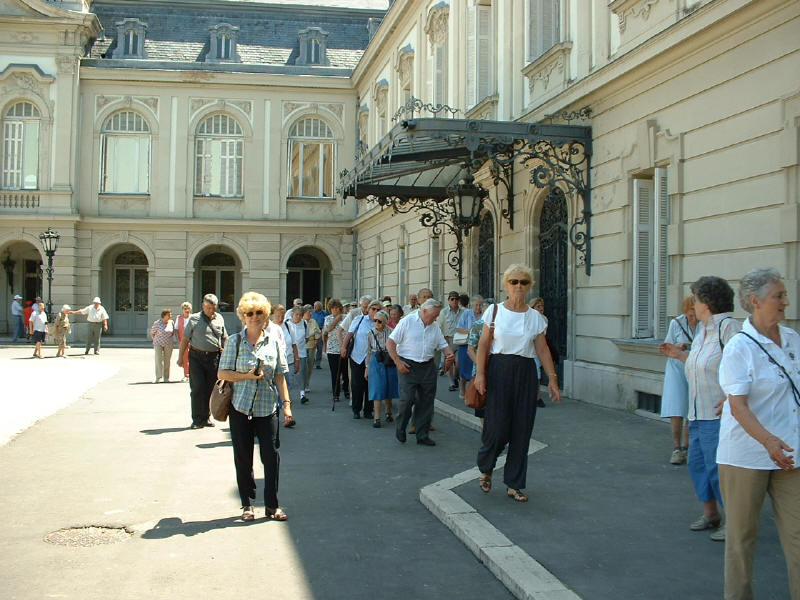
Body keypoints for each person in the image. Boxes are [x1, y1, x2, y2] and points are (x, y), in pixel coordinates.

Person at [718, 268, 800, 599]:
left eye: (784, 295)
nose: (786, 302)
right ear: (755, 301)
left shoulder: (793, 339)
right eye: (779, 296)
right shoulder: (739, 347)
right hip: (746, 455)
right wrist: (767, 440)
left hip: (790, 454)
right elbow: (738, 406)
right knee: (741, 539)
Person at [660, 275, 740, 541]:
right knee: (699, 467)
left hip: (718, 416)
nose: (692, 304)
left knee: (720, 471)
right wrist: (678, 354)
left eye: (695, 299)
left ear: (707, 302)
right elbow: (699, 364)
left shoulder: (729, 328)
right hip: (697, 413)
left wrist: (732, 397)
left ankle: (734, 522)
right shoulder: (704, 330)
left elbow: (746, 367)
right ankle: (711, 514)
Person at [473, 265, 561, 502]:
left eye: (523, 282)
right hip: (498, 369)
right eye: (514, 282)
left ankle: (514, 483)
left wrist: (552, 379)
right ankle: (486, 467)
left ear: (530, 286)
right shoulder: (494, 311)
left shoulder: (535, 317)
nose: (518, 286)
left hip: (525, 372)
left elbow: (542, 349)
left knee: (522, 429)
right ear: (506, 285)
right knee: (496, 426)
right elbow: (483, 344)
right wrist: (480, 374)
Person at [218, 292, 292, 522]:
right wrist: (246, 376)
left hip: (267, 408)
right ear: (243, 316)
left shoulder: (273, 342)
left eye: (259, 312)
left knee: (271, 457)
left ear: (265, 314)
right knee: (243, 458)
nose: (254, 317)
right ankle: (247, 504)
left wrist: (287, 405)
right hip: (240, 408)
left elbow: (280, 376)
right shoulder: (234, 341)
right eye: (249, 313)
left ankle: (272, 505)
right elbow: (222, 373)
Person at [387, 298, 454, 445]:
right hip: (408, 365)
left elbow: (443, 344)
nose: (436, 318)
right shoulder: (407, 321)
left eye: (437, 316)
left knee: (426, 402)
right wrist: (397, 362)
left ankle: (422, 434)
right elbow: (390, 343)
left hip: (427, 366)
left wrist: (449, 354)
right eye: (434, 315)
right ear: (424, 311)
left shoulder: (434, 326)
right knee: (407, 399)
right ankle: (401, 426)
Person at [177, 293, 228, 429]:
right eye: (208, 308)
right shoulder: (194, 319)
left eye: (214, 308)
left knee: (211, 388)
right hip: (196, 357)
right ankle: (197, 419)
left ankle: (206, 417)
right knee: (197, 388)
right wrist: (181, 357)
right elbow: (185, 339)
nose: (211, 310)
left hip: (214, 357)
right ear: (203, 306)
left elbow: (225, 338)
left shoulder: (219, 318)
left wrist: (228, 353)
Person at [658, 296, 697, 465]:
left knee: (692, 406)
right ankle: (676, 447)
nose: (693, 318)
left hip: (694, 367)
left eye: (695, 315)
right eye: (690, 315)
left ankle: (686, 448)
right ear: (685, 312)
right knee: (676, 405)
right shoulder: (676, 323)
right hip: (676, 367)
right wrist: (677, 347)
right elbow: (665, 347)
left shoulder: (704, 324)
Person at [342, 299, 382, 419]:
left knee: (370, 384)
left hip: (373, 358)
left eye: (378, 309)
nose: (375, 311)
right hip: (357, 356)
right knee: (357, 384)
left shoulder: (380, 322)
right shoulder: (359, 319)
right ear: (368, 309)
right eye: (373, 309)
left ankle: (368, 410)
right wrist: (343, 347)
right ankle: (356, 409)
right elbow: (349, 334)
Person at [365, 309, 397, 427]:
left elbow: (396, 347)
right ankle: (377, 418)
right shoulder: (370, 333)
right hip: (375, 361)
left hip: (389, 360)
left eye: (380, 321)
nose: (376, 323)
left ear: (386, 322)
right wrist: (367, 367)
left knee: (389, 387)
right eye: (375, 320)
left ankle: (388, 411)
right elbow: (368, 351)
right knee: (376, 388)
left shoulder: (392, 332)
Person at [466, 299, 492, 425]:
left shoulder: (500, 325)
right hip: (480, 370)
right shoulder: (477, 325)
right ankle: (485, 431)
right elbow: (470, 349)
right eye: (487, 310)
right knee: (481, 403)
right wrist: (480, 365)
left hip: (498, 369)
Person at [455, 295, 483, 401]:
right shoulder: (466, 313)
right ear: (472, 305)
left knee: (475, 369)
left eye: (480, 305)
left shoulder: (485, 314)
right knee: (464, 368)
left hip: (479, 346)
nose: (478, 307)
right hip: (466, 345)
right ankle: (462, 387)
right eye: (476, 305)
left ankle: (472, 393)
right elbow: (458, 328)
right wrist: (471, 331)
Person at [322, 299, 349, 403]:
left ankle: (346, 390)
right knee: (335, 373)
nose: (335, 310)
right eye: (333, 308)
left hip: (344, 348)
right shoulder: (328, 318)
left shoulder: (346, 317)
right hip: (332, 350)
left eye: (337, 308)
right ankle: (336, 393)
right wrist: (336, 320)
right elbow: (327, 329)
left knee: (345, 372)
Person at [439, 291, 465, 391]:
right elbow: (439, 326)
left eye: (456, 299)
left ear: (459, 300)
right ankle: (451, 383)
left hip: (460, 340)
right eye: (452, 299)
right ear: (449, 300)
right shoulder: (443, 312)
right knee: (449, 363)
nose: (454, 301)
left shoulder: (464, 312)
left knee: (458, 363)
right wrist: (442, 340)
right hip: (448, 340)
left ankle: (455, 376)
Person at [283, 305, 309, 404]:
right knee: (289, 375)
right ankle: (286, 396)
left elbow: (307, 337)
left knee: (301, 373)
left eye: (300, 315)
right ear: (292, 315)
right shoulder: (287, 324)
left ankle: (302, 394)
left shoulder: (305, 324)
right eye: (296, 314)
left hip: (301, 352)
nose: (298, 317)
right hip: (290, 353)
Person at [530, 298, 549, 409]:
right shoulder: (528, 318)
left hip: (538, 350)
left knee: (537, 374)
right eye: (538, 306)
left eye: (542, 306)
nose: (541, 308)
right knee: (534, 373)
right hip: (528, 351)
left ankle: (537, 397)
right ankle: (536, 397)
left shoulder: (544, 319)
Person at [150, 309, 176, 383]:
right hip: (158, 343)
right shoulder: (157, 323)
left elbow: (173, 332)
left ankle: (166, 378)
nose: (170, 316)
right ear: (164, 315)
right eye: (169, 315)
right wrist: (156, 340)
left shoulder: (171, 322)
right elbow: (152, 333)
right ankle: (158, 377)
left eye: (170, 314)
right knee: (158, 359)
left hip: (168, 344)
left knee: (167, 361)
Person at [302, 305, 321, 393]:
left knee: (309, 366)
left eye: (311, 312)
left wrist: (316, 340)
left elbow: (318, 332)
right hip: (302, 346)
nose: (310, 314)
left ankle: (306, 384)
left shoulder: (313, 321)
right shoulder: (301, 321)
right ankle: (302, 384)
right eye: (308, 312)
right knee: (303, 366)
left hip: (311, 345)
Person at [175, 302, 192, 381]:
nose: (187, 310)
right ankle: (186, 375)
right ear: (182, 310)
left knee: (192, 358)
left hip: (192, 341)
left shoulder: (193, 318)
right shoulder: (179, 318)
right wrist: (178, 340)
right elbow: (176, 329)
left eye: (188, 308)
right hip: (182, 342)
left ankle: (192, 375)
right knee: (184, 358)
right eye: (185, 309)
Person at [311, 300, 327, 369]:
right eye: (314, 306)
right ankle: (311, 362)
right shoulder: (311, 312)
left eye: (316, 306)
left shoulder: (324, 313)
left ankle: (318, 363)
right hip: (312, 331)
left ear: (320, 307)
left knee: (319, 348)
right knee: (312, 348)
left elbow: (326, 322)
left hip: (320, 331)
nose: (314, 307)